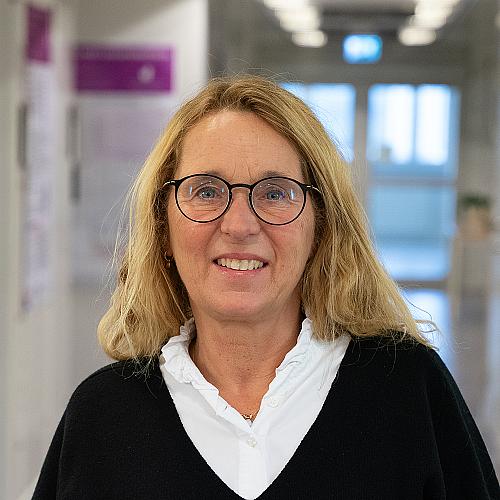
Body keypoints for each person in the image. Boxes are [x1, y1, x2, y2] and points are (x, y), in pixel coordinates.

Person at [33, 75, 499, 500]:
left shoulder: (411, 391)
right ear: (163, 226)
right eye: (206, 191)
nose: (239, 225)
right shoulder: (99, 417)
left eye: (275, 193)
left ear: (320, 227)